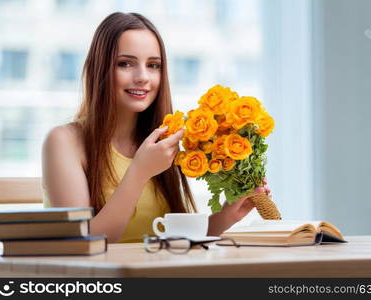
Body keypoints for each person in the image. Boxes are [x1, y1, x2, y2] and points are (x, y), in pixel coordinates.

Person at [42, 12, 270, 243]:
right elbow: (85, 243)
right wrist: (140, 172)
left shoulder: (161, 143)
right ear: (99, 68)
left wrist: (226, 216)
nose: (143, 77)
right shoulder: (63, 141)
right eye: (125, 64)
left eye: (153, 65)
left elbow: (172, 239)